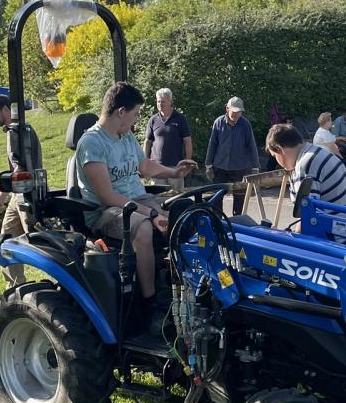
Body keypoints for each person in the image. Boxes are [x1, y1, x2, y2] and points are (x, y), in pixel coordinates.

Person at [76, 82, 196, 334]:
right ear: (121, 112)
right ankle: (150, 305)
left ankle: (185, 290)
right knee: (142, 228)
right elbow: (108, 196)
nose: (136, 120)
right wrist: (150, 214)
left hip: (138, 200)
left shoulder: (126, 136)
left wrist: (174, 171)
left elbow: (145, 167)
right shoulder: (92, 143)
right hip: (106, 211)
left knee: (187, 215)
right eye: (135, 114)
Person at [0, 95, 40, 286]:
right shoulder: (17, 130)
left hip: (27, 195)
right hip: (18, 195)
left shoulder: (16, 132)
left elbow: (20, 170)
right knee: (7, 242)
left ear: (6, 110)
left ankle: (63, 286)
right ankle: (15, 289)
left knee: (40, 244)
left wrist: (2, 194)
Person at [265, 123, 346, 209]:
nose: (277, 161)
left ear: (280, 150)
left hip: (336, 220)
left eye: (275, 156)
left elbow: (308, 212)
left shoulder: (304, 166)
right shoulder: (316, 152)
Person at [205, 96, 260, 216]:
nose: (236, 114)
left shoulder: (245, 124)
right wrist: (208, 165)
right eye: (234, 111)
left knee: (239, 197)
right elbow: (212, 144)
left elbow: (251, 145)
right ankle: (217, 219)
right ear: (227, 109)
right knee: (217, 196)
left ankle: (237, 219)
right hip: (220, 166)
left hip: (240, 167)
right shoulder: (218, 122)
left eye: (239, 112)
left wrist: (255, 167)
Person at [143, 88, 193, 190]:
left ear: (170, 101)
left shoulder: (180, 118)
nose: (160, 104)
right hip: (157, 167)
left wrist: (187, 161)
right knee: (158, 196)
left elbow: (187, 141)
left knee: (177, 196)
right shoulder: (153, 120)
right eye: (158, 101)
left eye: (163, 101)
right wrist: (145, 160)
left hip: (176, 166)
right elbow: (148, 141)